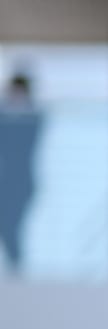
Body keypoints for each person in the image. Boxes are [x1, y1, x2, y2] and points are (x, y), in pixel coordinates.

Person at [0, 71, 42, 269]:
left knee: (11, 225)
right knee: (6, 225)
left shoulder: (34, 117)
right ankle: (15, 265)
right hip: (4, 181)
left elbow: (22, 146)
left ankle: (16, 266)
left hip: (22, 183)